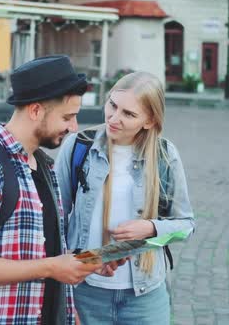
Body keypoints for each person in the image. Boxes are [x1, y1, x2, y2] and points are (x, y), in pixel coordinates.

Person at [0, 55, 107, 325]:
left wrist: (89, 261)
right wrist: (52, 267)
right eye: (67, 117)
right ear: (35, 111)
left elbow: (45, 251)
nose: (74, 128)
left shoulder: (43, 164)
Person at [54, 71, 196, 324]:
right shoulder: (78, 147)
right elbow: (55, 223)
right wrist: (72, 278)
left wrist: (151, 228)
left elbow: (185, 226)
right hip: (85, 293)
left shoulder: (164, 156)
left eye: (128, 114)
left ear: (150, 121)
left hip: (145, 298)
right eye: (112, 105)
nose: (114, 118)